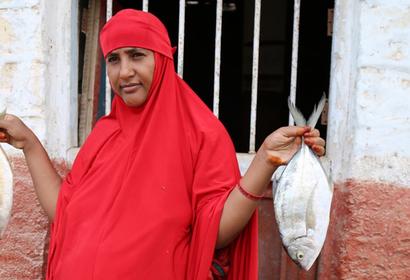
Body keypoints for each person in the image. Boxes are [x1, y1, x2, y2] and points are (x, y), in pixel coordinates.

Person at [0, 9, 325, 280]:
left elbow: (216, 233)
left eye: (137, 55)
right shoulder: (105, 133)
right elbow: (66, 213)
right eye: (113, 59)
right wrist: (29, 143)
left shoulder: (201, 133)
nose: (124, 71)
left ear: (162, 58)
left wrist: (264, 162)